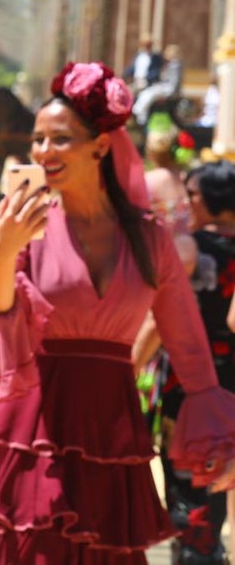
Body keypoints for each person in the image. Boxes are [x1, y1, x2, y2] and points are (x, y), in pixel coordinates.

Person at [0, 61, 235, 564]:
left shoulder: (147, 237)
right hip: (35, 429)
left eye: (60, 139)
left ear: (100, 146)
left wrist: (219, 433)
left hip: (113, 431)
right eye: (37, 139)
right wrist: (5, 250)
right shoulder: (27, 226)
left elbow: (185, 339)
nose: (43, 152)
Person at [140, 161, 235, 565]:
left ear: (215, 200)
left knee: (188, 487)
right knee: (219, 485)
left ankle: (197, 552)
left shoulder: (189, 249)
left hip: (190, 388)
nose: (187, 203)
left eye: (192, 195)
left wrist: (126, 366)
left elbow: (159, 320)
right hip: (232, 383)